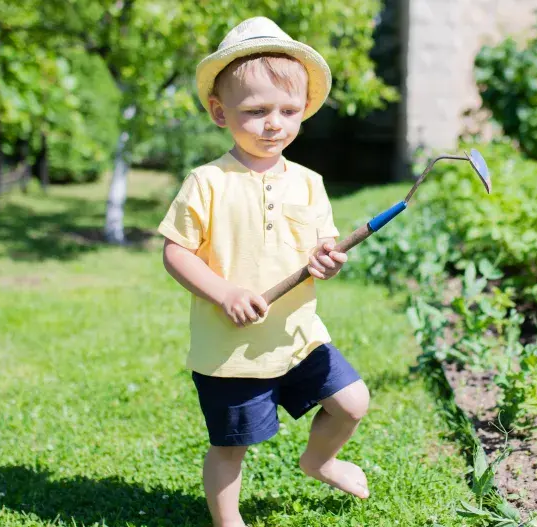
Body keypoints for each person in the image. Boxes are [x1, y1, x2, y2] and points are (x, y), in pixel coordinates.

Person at [158, 16, 370, 527]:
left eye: (288, 110)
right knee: (231, 447)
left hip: (298, 336)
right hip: (231, 349)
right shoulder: (208, 182)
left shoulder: (309, 182)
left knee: (352, 402)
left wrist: (328, 260)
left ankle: (319, 461)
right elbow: (175, 252)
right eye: (255, 111)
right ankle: (228, 522)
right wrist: (224, 291)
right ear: (219, 112)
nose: (274, 123)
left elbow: (323, 246)